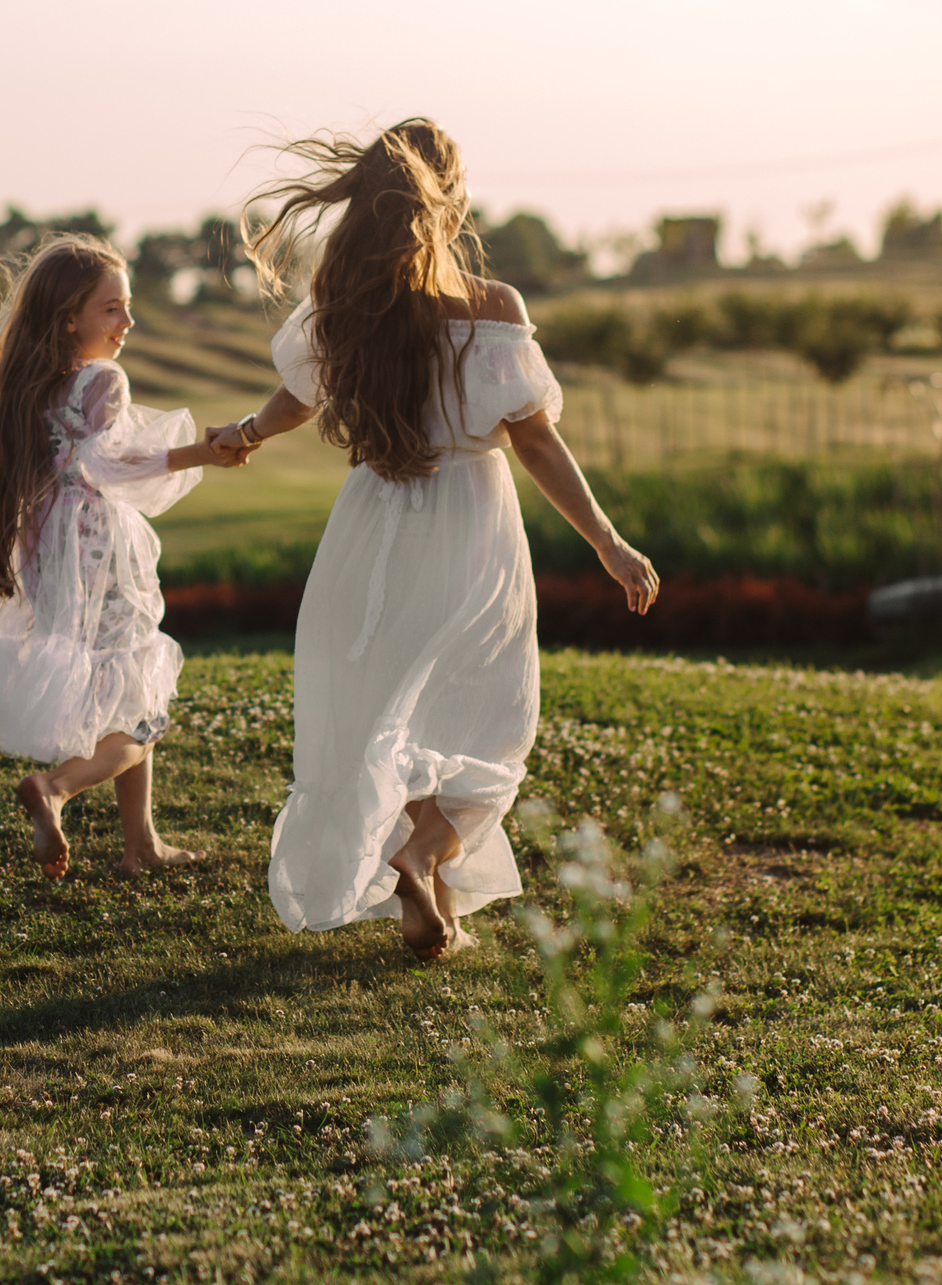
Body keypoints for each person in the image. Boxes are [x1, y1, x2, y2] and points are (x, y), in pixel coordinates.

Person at [225, 120, 659, 961]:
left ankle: (423, 873)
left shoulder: (348, 306)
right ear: (448, 203)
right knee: (487, 717)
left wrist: (243, 431)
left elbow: (296, 397)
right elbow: (535, 441)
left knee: (392, 706)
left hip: (371, 523)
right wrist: (607, 540)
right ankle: (422, 854)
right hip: (469, 525)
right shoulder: (491, 311)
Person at [0, 232, 250, 877]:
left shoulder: (28, 385)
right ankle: (56, 788)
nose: (127, 322)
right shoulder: (103, 379)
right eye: (112, 308)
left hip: (51, 549)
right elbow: (109, 464)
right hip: (97, 547)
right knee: (141, 705)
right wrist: (202, 452)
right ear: (71, 319)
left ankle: (141, 844)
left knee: (125, 680)